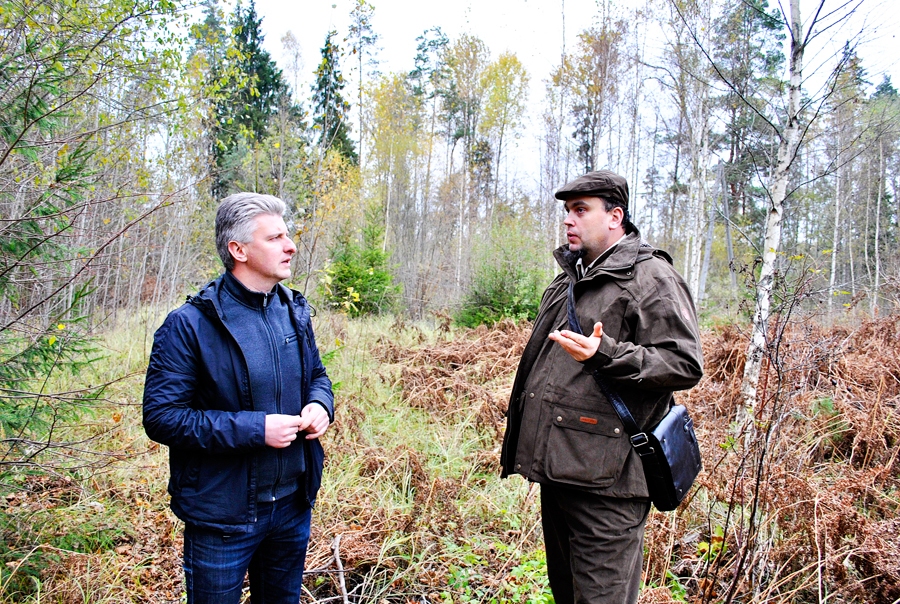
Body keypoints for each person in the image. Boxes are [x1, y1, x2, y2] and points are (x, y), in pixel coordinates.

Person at [500, 170, 703, 604]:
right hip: (560, 472)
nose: (569, 221)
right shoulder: (569, 278)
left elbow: (684, 363)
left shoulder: (651, 278)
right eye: (566, 212)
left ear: (616, 216)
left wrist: (605, 354)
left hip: (608, 487)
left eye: (580, 210)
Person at [143, 192, 334, 604]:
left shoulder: (292, 311)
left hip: (292, 507)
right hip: (222, 517)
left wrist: (320, 405)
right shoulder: (189, 325)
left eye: (288, 235)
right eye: (275, 238)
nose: (291, 245)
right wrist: (255, 428)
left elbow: (317, 375)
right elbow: (161, 417)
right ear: (238, 249)